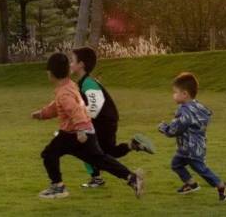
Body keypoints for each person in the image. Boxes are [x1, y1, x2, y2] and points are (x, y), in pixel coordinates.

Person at [32, 52, 144, 199]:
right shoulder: (69, 86)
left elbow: (75, 110)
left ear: (51, 73)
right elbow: (58, 107)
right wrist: (43, 114)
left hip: (74, 134)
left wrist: (81, 129)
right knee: (99, 160)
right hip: (82, 132)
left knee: (49, 154)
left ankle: (58, 187)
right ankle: (132, 178)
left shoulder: (64, 93)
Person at [69, 46, 155, 188]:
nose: (70, 64)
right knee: (107, 152)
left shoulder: (88, 82)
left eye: (72, 61)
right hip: (105, 120)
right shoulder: (83, 82)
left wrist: (82, 122)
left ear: (81, 64)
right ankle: (133, 145)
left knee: (89, 149)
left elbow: (95, 106)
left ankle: (98, 178)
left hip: (104, 121)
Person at [158, 72, 226, 201]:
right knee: (176, 164)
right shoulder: (197, 106)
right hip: (189, 147)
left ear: (184, 94)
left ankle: (222, 186)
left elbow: (177, 128)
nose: (173, 95)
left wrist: (164, 128)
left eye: (175, 92)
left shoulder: (185, 111)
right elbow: (202, 118)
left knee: (201, 169)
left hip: (191, 149)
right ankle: (191, 184)